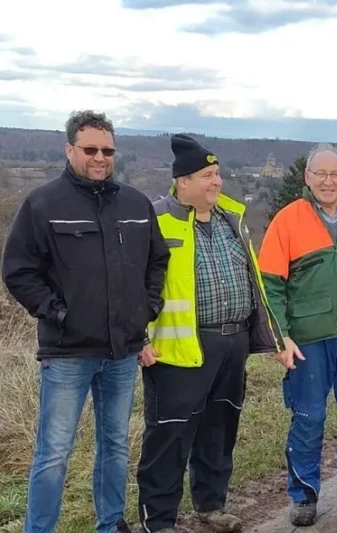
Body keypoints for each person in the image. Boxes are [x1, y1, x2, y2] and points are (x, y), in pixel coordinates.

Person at [1, 110, 169, 533]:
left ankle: (110, 524)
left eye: (107, 150)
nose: (100, 157)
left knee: (114, 446)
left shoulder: (134, 203)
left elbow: (157, 260)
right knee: (55, 452)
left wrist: (146, 308)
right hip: (68, 352)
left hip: (122, 351)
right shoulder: (43, 203)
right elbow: (18, 270)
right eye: (90, 149)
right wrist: (57, 312)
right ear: (70, 149)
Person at [136, 134, 285, 533]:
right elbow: (134, 284)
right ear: (182, 180)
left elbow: (253, 280)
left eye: (217, 174)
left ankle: (211, 506)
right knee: (169, 437)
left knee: (220, 430)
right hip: (178, 348)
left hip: (232, 344)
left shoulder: (231, 219)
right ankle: (159, 520)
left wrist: (270, 336)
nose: (217, 182)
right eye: (207, 175)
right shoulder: (156, 220)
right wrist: (139, 338)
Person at [258, 143, 337, 527]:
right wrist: (280, 338)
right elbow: (270, 284)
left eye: (336, 174)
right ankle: (304, 495)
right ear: (307, 178)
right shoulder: (288, 219)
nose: (328, 181)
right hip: (308, 338)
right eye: (321, 174)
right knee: (308, 416)